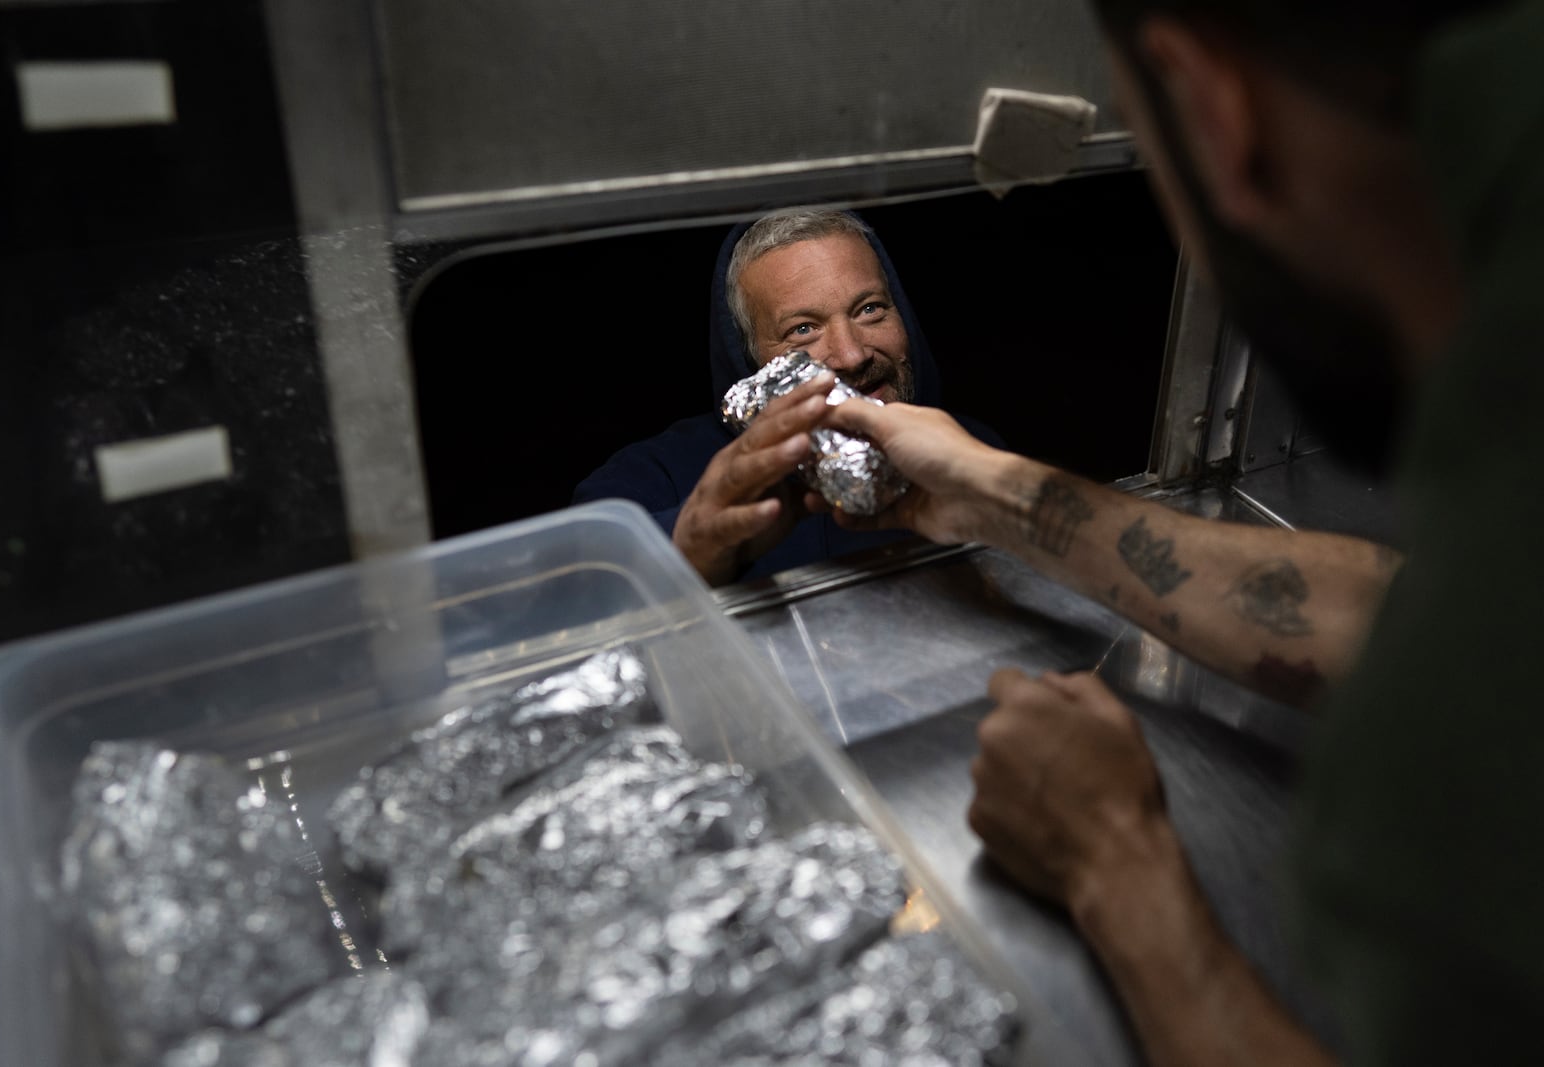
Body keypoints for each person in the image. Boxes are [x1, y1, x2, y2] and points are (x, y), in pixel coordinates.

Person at [806, 0, 1543, 1064]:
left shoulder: (1412, 813)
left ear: (1212, 109)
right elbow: (1407, 612)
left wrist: (1117, 863)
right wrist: (988, 492)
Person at [571, 209, 1004, 586]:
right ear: (749, 357)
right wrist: (694, 545)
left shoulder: (969, 448)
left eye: (869, 309)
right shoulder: (657, 477)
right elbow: (575, 597)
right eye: (803, 329)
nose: (851, 355)